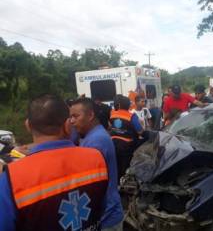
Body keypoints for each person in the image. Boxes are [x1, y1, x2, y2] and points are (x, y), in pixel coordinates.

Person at [0, 94, 108, 231]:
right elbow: (102, 206)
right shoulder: (96, 158)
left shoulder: (11, 178)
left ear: (28, 125)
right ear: (67, 125)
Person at [70, 97, 123, 231]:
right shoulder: (90, 136)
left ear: (90, 115)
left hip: (106, 218)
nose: (72, 121)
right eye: (70, 117)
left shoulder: (96, 141)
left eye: (76, 116)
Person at [110, 95, 143, 180]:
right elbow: (140, 131)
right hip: (127, 146)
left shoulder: (112, 114)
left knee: (116, 166)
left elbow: (109, 127)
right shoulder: (131, 116)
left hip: (113, 144)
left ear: (119, 105)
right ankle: (124, 184)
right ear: (128, 105)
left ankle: (116, 182)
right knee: (125, 168)